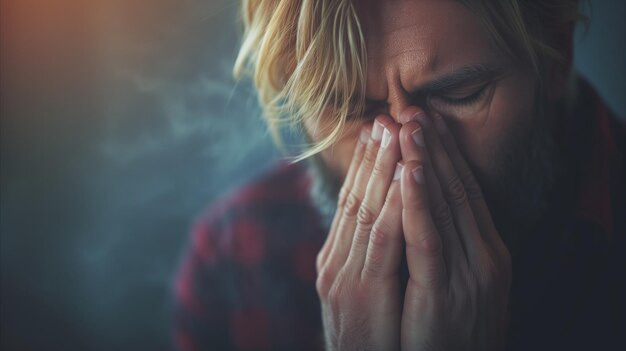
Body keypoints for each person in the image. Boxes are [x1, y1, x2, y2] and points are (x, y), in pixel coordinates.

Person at [173, 0, 625, 350]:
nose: (408, 161)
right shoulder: (235, 266)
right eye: (348, 109)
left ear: (555, 59)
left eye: (459, 94)